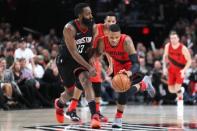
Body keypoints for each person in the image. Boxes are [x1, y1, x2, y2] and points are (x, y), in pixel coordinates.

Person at [96, 24, 155, 128]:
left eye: (116, 37)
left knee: (123, 93)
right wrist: (108, 65)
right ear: (107, 35)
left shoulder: (126, 41)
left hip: (129, 64)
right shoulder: (102, 41)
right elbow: (97, 56)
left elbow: (136, 63)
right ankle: (144, 84)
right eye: (111, 37)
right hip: (117, 65)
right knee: (121, 90)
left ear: (120, 35)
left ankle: (118, 118)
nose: (114, 40)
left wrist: (129, 72)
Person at [54, 3, 100, 129]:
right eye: (87, 14)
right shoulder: (69, 28)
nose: (91, 16)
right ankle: (59, 104)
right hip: (66, 61)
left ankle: (94, 116)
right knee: (69, 92)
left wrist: (92, 57)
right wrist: (89, 66)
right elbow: (74, 52)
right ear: (80, 16)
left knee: (87, 82)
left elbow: (91, 46)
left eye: (91, 13)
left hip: (81, 59)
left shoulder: (93, 26)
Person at [65, 11, 116, 122]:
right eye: (109, 21)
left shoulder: (113, 33)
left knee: (97, 83)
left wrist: (111, 65)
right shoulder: (97, 28)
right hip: (83, 55)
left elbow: (109, 51)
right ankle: (72, 108)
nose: (110, 23)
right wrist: (90, 57)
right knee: (83, 81)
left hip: (94, 58)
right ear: (104, 21)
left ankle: (96, 111)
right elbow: (88, 42)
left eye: (113, 21)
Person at [163, 31, 192, 105]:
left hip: (180, 70)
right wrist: (164, 68)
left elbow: (189, 61)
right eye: (171, 38)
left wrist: (184, 70)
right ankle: (180, 91)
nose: (173, 40)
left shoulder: (183, 48)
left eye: (175, 38)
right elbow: (165, 57)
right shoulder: (167, 46)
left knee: (176, 87)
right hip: (171, 70)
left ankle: (180, 97)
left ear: (178, 39)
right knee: (170, 90)